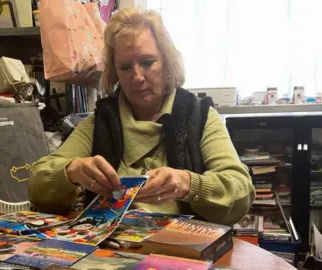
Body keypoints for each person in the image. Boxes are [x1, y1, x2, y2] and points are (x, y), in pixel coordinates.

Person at [29, 8, 255, 225]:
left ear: (167, 61)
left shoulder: (201, 117)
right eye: (125, 67)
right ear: (114, 72)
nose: (137, 77)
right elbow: (37, 185)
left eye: (148, 62)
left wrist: (189, 184)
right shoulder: (101, 121)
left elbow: (241, 192)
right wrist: (72, 171)